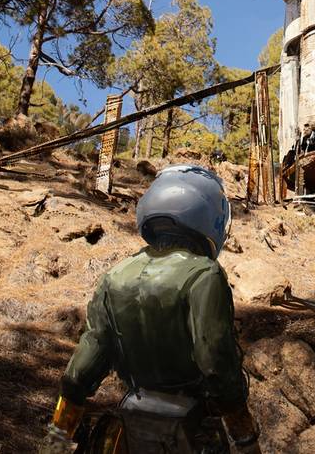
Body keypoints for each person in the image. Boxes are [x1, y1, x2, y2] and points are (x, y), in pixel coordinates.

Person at [49, 164, 259, 453]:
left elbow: (82, 367)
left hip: (131, 417)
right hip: (188, 428)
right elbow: (216, 362)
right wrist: (244, 435)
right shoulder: (204, 275)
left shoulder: (116, 275)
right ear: (210, 213)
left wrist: (57, 437)